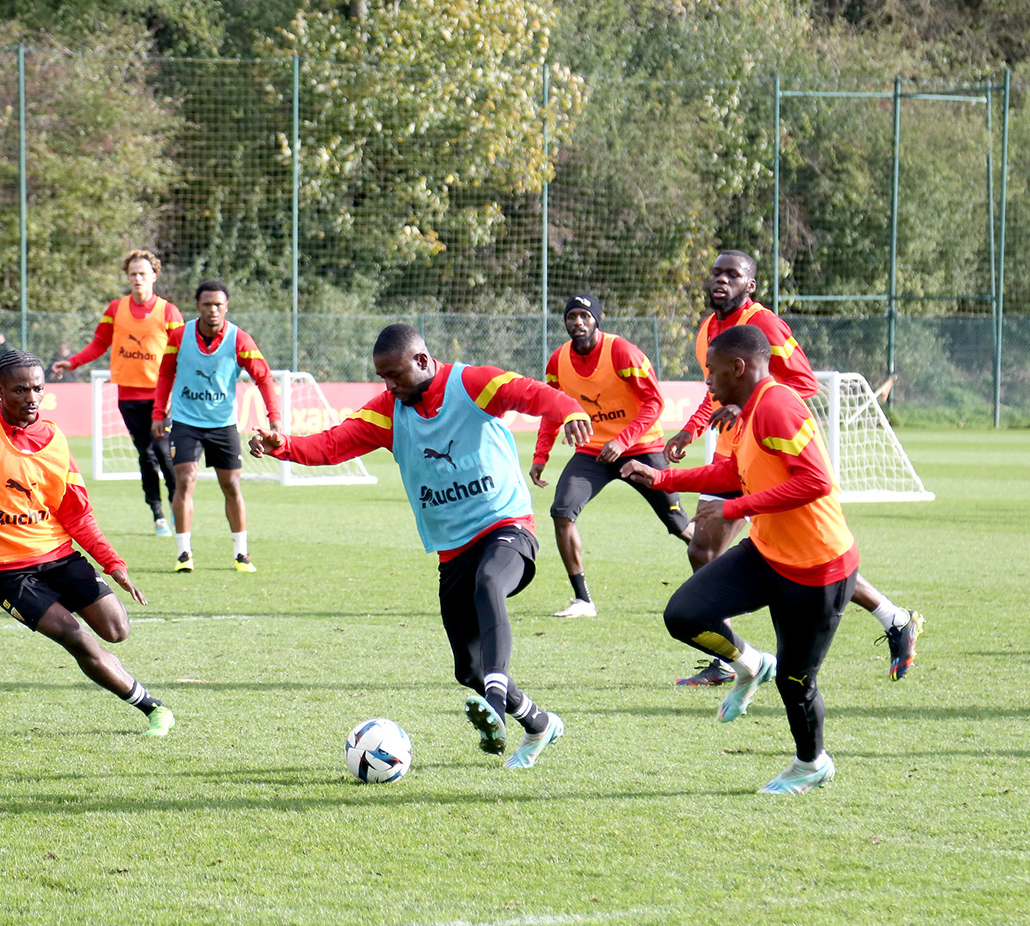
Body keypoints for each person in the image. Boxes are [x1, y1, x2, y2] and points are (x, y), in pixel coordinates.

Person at [250, 324, 592, 769]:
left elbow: (527, 393)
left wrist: (567, 410)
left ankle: (495, 700)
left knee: (490, 584)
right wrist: (285, 446)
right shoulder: (389, 410)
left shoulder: (471, 384)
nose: (388, 385)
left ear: (424, 361)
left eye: (394, 375)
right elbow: (334, 444)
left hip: (507, 528)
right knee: (467, 669)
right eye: (382, 378)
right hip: (452, 553)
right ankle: (540, 723)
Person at [664, 249, 923, 686]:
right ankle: (734, 656)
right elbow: (715, 391)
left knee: (798, 554)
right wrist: (690, 431)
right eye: (716, 273)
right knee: (702, 550)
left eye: (733, 274)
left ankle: (890, 618)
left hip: (769, 455)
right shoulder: (709, 328)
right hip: (731, 456)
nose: (721, 280)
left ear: (751, 285)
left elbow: (803, 382)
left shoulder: (763, 324)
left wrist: (746, 410)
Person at [623, 325, 857, 795]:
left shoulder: (777, 406)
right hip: (767, 554)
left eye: (711, 371)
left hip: (818, 570)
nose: (706, 380)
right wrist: (664, 478)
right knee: (684, 615)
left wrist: (735, 508)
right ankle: (749, 663)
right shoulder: (749, 410)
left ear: (739, 367)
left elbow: (816, 482)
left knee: (797, 682)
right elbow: (734, 470)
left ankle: (812, 763)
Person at [0, 349, 174, 736]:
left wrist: (113, 564)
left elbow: (76, 512)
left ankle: (132, 684)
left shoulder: (53, 439)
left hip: (58, 555)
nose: (31, 398)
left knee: (117, 630)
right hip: (5, 570)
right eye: (19, 390)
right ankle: (152, 707)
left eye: (37, 389)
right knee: (73, 635)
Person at [532, 293, 691, 618]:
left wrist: (623, 440)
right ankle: (583, 600)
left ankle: (724, 582)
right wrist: (540, 456)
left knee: (679, 524)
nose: (577, 322)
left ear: (597, 320)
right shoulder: (557, 361)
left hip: (642, 448)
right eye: (571, 316)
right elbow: (551, 409)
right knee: (562, 512)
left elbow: (655, 402)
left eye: (584, 316)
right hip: (593, 452)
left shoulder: (621, 351)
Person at [50, 251, 186, 537]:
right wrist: (71, 362)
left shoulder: (168, 311)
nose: (138, 278)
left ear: (154, 276)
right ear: (127, 277)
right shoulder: (116, 308)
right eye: (133, 274)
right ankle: (158, 515)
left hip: (161, 397)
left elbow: (181, 354)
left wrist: (175, 392)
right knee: (145, 455)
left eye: (143, 273)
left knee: (164, 454)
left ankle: (178, 508)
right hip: (128, 398)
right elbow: (100, 343)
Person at [152, 280, 282, 573]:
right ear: (197, 307)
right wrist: (158, 412)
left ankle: (241, 554)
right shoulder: (179, 336)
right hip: (185, 422)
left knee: (232, 485)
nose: (213, 310)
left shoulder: (239, 339)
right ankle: (184, 553)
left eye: (218, 305)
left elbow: (264, 377)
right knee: (185, 479)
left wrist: (274, 418)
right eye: (207, 304)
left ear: (226, 307)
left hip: (223, 424)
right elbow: (165, 374)